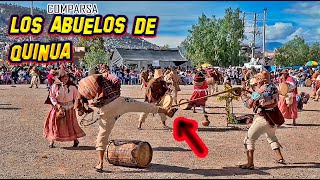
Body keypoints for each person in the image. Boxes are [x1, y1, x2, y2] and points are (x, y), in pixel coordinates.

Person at [75, 71, 178, 172]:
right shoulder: (104, 77)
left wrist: (88, 106)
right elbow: (117, 81)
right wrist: (115, 91)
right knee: (144, 107)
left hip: (106, 110)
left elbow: (80, 106)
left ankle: (100, 163)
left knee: (102, 136)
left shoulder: (82, 87)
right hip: (119, 102)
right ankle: (166, 111)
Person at [239, 71, 285, 170]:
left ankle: (250, 163)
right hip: (274, 118)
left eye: (257, 79)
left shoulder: (260, 90)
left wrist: (242, 95)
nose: (256, 82)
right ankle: (279, 158)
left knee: (248, 139)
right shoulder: (273, 87)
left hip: (264, 118)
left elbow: (248, 104)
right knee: (271, 136)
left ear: (261, 80)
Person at [43, 69, 86, 148]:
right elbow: (51, 96)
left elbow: (77, 97)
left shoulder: (72, 87)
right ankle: (51, 141)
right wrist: (57, 105)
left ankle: (75, 140)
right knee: (54, 124)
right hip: (57, 108)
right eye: (64, 77)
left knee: (71, 124)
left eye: (67, 77)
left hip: (69, 108)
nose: (66, 78)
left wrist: (79, 107)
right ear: (60, 78)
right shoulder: (54, 86)